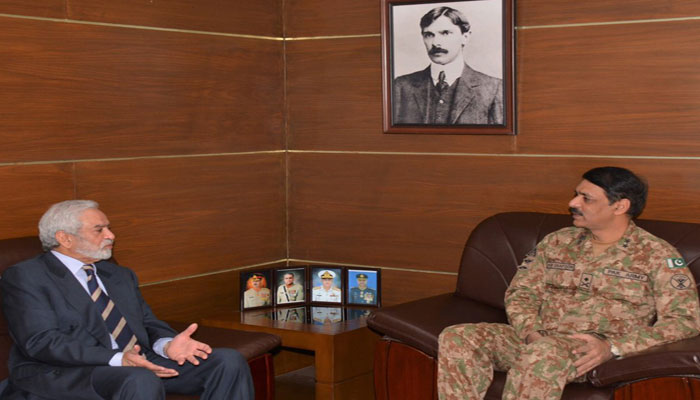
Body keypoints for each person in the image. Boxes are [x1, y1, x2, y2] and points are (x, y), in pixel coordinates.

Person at [437, 167, 700, 400]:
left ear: (620, 206)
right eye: (576, 194)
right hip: (538, 338)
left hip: (591, 351)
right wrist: (531, 331)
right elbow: (521, 292)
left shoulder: (657, 254)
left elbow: (684, 321)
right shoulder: (558, 241)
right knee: (458, 336)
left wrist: (614, 348)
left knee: (543, 353)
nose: (572, 203)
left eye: (586, 198)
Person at [0, 200, 253, 400]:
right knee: (139, 378)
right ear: (65, 238)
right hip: (70, 371)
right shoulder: (26, 277)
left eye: (109, 227)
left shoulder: (118, 275)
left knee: (227, 361)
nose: (111, 235)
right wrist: (118, 359)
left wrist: (166, 345)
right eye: (99, 230)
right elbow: (42, 341)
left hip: (137, 361)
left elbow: (146, 322)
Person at [393, 6, 503, 125]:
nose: (435, 43)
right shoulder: (401, 86)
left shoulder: (493, 88)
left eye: (445, 33)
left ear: (465, 37)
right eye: (429, 35)